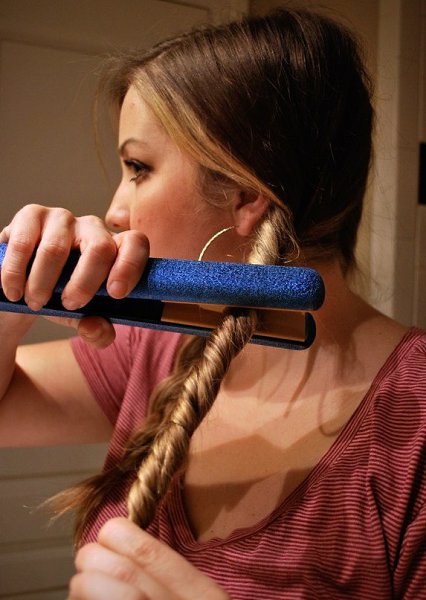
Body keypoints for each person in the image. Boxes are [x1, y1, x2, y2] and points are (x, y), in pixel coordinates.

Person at [0, 7, 425, 599]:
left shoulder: (414, 414)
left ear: (247, 195)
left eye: (138, 168)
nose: (114, 211)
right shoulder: (157, 342)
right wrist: (13, 296)